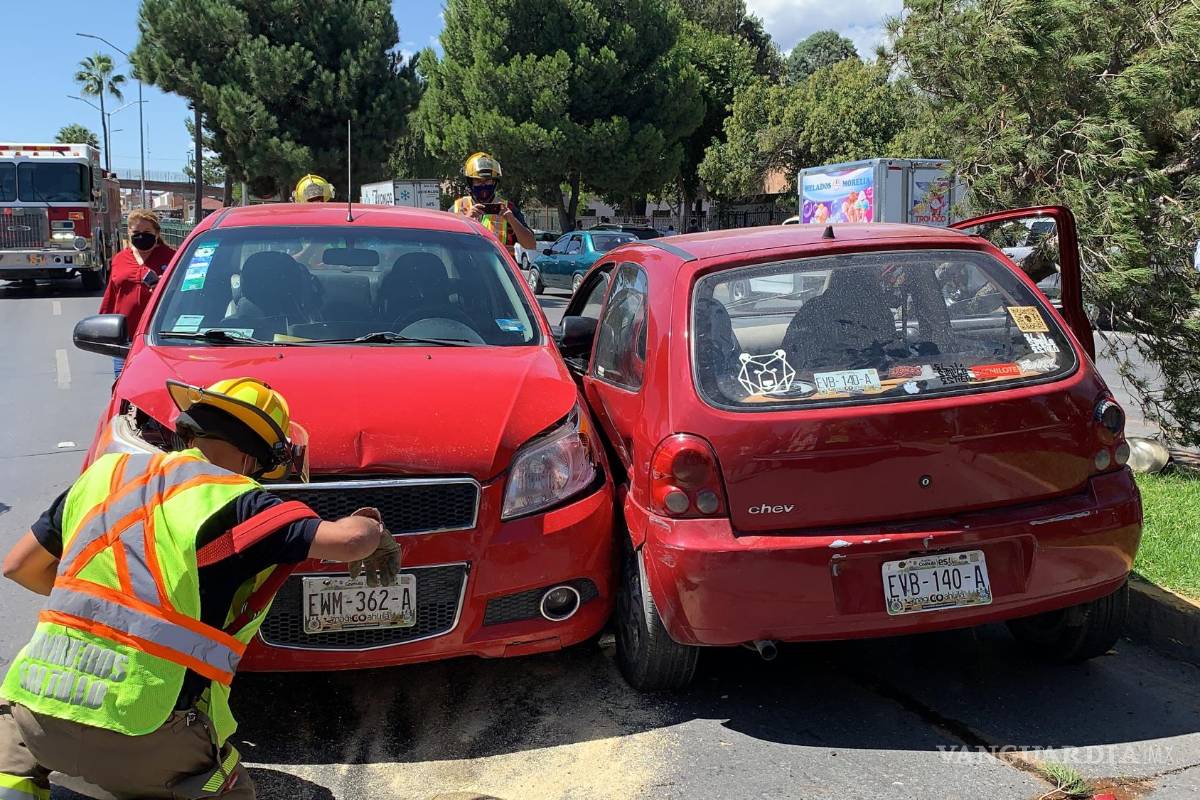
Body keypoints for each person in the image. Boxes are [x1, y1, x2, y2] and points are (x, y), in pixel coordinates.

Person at [0, 377, 399, 799]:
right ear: (254, 459)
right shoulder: (238, 500)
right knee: (228, 789)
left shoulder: (107, 473)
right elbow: (348, 542)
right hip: (145, 734)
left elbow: (19, 566)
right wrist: (372, 526)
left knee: (11, 750)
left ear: (189, 433)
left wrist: (106, 605)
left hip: (39, 715)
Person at [98, 209, 176, 379]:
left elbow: (187, 295)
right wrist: (104, 329)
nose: (142, 236)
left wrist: (165, 288)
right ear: (129, 233)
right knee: (123, 383)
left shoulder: (173, 258)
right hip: (126, 342)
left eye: (147, 232)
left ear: (157, 233)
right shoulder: (120, 259)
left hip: (160, 340)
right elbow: (112, 296)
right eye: (136, 232)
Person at [450, 152, 535, 251]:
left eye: (488, 180)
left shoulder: (508, 208)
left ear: (494, 182)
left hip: (497, 261)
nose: (483, 185)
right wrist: (467, 220)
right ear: (470, 182)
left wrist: (512, 220)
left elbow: (531, 245)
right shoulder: (457, 208)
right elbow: (445, 242)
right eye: (478, 181)